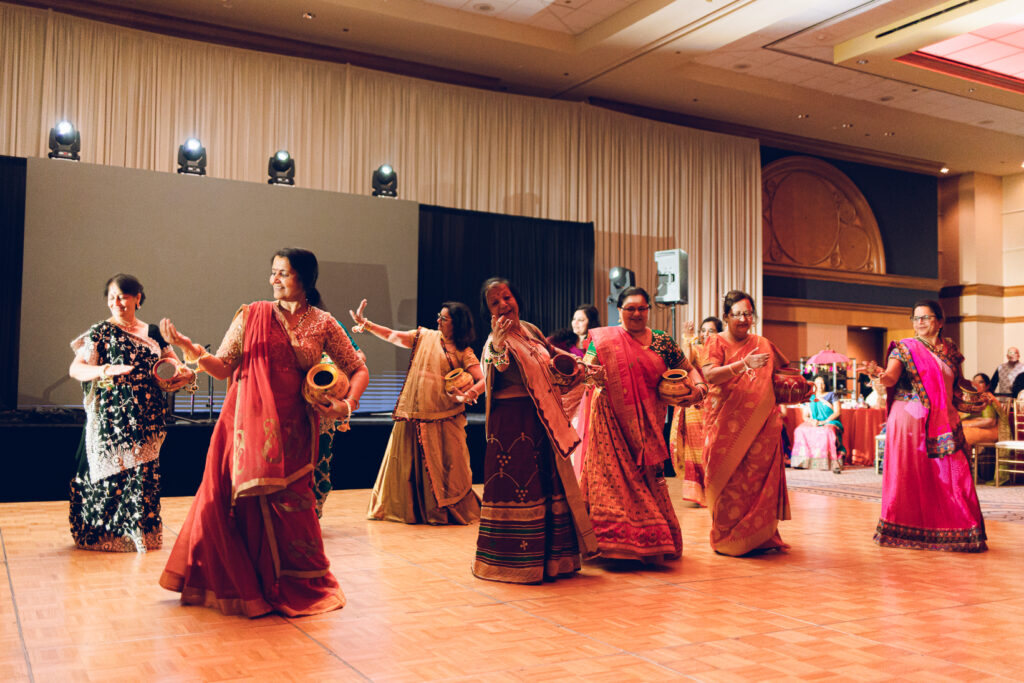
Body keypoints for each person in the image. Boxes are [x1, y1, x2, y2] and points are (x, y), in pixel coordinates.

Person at [158, 248, 370, 616]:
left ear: (304, 279)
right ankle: (244, 586)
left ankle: (297, 584)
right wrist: (191, 350)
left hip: (296, 435)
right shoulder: (251, 314)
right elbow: (223, 367)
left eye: (283, 274)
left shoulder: (323, 323)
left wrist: (345, 406)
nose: (274, 280)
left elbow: (357, 369)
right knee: (232, 507)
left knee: (294, 511)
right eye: (272, 272)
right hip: (244, 431)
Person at [473, 277, 598, 583]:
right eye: (495, 302)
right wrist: (500, 344)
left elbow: (554, 360)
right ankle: (515, 564)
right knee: (522, 490)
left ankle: (555, 562)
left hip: (543, 421)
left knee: (550, 487)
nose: (504, 304)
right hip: (512, 430)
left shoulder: (530, 330)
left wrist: (583, 371)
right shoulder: (494, 341)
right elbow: (498, 365)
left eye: (507, 297)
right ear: (488, 310)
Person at [576, 287, 706, 561]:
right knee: (610, 480)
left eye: (641, 308)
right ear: (619, 311)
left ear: (648, 310)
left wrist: (700, 387)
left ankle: (649, 542)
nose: (636, 314)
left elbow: (689, 367)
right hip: (610, 422)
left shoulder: (662, 341)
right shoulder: (603, 340)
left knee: (647, 480)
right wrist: (592, 377)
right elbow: (586, 373)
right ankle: (612, 545)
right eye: (630, 308)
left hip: (649, 423)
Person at [68, 274, 193, 552]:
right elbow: (75, 370)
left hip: (146, 418)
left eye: (123, 296)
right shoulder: (99, 332)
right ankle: (102, 537)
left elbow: (171, 367)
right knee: (111, 478)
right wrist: (104, 370)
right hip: (110, 419)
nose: (116, 302)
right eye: (111, 297)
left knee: (142, 476)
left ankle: (140, 536)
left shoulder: (153, 334)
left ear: (137, 298)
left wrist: (183, 374)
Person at [865, 300, 986, 552]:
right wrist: (877, 373)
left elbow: (959, 383)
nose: (919, 322)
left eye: (925, 317)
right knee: (913, 475)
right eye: (916, 318)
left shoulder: (950, 350)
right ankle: (910, 529)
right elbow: (891, 378)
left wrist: (983, 396)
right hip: (909, 419)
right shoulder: (904, 348)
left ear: (940, 322)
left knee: (956, 471)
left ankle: (961, 529)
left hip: (945, 418)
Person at [350, 299, 482, 524]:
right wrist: (367, 325)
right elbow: (393, 335)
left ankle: (444, 510)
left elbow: (482, 379)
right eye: (438, 317)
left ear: (457, 324)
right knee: (405, 465)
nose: (438, 321)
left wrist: (468, 393)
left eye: (444, 319)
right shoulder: (425, 337)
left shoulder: (463, 352)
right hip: (414, 413)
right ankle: (408, 510)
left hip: (446, 417)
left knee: (451, 467)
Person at [701, 290, 791, 556]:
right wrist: (743, 364)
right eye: (738, 314)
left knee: (758, 482)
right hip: (724, 426)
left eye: (748, 313)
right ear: (726, 316)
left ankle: (759, 537)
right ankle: (728, 538)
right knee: (727, 482)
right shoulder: (716, 341)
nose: (744, 319)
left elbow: (783, 372)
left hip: (762, 428)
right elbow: (710, 376)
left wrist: (797, 386)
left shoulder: (763, 343)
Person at [312, 321, 365, 518]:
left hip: (321, 406)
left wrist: (328, 362)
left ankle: (312, 515)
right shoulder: (275, 323)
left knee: (320, 463)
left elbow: (359, 358)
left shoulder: (326, 324)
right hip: (287, 411)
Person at [669, 316, 722, 506]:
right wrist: (688, 337)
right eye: (703, 330)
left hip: (716, 405)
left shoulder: (721, 352)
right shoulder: (696, 348)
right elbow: (686, 362)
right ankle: (699, 493)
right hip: (695, 405)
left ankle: (714, 490)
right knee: (695, 448)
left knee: (712, 448)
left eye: (711, 330)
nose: (706, 334)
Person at [789, 376, 846, 474]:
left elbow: (837, 412)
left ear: (826, 384)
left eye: (822, 383)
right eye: (817, 383)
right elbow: (805, 416)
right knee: (800, 430)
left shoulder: (832, 395)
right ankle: (802, 462)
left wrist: (825, 422)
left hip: (830, 421)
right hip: (814, 422)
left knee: (826, 431)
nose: (820, 385)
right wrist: (812, 421)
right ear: (813, 385)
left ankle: (833, 461)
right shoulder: (810, 397)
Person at [959, 373, 1000, 446]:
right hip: (979, 427)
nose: (976, 384)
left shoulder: (987, 398)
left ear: (987, 385)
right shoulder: (974, 397)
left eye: (980, 382)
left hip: (989, 430)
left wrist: (968, 425)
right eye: (974, 382)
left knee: (961, 435)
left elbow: (990, 421)